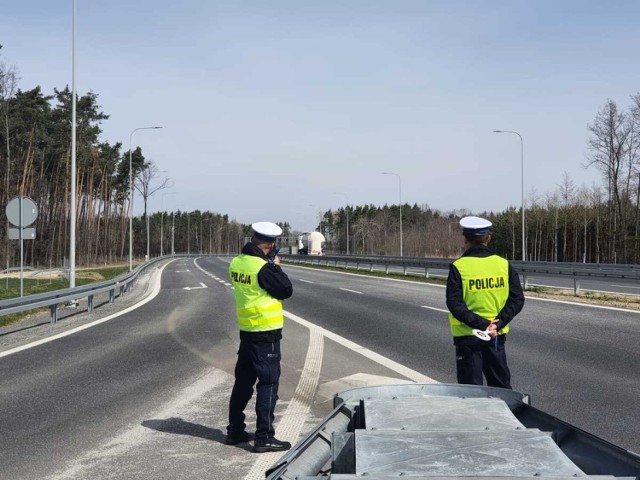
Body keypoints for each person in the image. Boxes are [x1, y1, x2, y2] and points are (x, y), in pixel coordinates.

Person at [226, 221, 294, 453]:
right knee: (268, 384)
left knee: (243, 383)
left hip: (247, 331)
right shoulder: (263, 268)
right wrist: (275, 267)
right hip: (266, 333)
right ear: (270, 243)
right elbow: (286, 289)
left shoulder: (237, 262)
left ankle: (235, 430)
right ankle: (264, 437)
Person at [445, 216, 525, 389]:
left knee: (471, 392)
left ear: (465, 239)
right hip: (496, 336)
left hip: (468, 338)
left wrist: (483, 324)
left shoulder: (459, 267)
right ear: (488, 238)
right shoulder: (504, 265)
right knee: (501, 389)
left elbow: (454, 304)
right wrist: (497, 323)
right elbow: (517, 299)